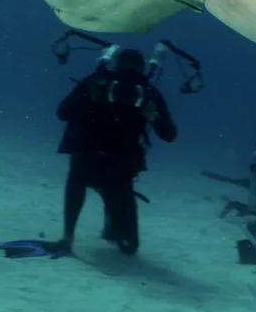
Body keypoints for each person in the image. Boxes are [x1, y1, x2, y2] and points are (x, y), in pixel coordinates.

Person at [53, 45, 177, 255]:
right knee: (77, 179)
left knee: (129, 246)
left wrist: (153, 116)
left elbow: (169, 134)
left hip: (120, 167)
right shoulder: (96, 84)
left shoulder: (147, 93)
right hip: (89, 157)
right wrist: (89, 99)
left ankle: (107, 220)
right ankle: (68, 235)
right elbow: (63, 112)